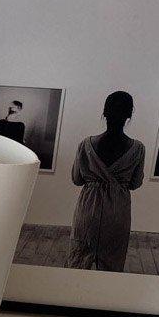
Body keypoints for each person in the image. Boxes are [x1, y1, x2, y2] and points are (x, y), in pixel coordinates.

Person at [66, 91, 145, 272]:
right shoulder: (138, 148)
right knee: (112, 268)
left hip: (88, 210)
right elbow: (135, 183)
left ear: (104, 112)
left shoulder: (86, 145)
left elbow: (76, 179)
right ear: (129, 115)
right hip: (118, 213)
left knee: (78, 264)